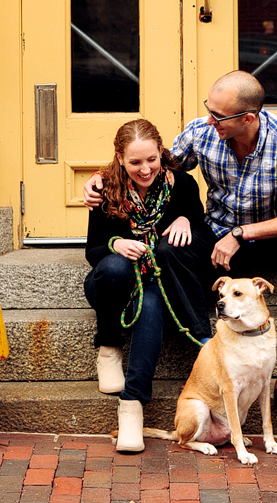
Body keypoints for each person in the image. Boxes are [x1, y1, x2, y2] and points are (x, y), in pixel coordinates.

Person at [86, 71, 277, 399]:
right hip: (215, 237)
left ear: (248, 118)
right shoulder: (203, 131)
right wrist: (100, 178)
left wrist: (241, 234)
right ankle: (206, 343)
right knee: (169, 248)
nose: (209, 120)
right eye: (208, 109)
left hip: (269, 237)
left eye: (218, 115)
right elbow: (153, 163)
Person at [83, 118, 215, 453]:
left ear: (161, 153)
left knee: (152, 305)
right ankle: (108, 346)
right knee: (113, 266)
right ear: (119, 157)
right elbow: (93, 250)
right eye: (135, 162)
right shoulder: (104, 188)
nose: (145, 169)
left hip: (157, 281)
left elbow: (198, 228)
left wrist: (186, 218)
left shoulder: (182, 185)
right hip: (113, 286)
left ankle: (132, 406)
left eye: (151, 159)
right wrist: (115, 244)